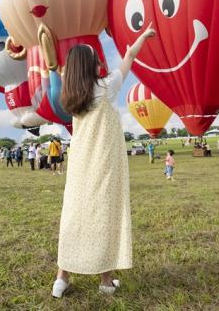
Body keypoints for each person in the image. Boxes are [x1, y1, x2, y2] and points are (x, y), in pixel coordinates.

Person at [52, 24, 155, 298]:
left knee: (73, 216)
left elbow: (62, 70)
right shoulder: (106, 87)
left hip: (79, 166)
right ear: (90, 65)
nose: (100, 59)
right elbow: (129, 57)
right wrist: (143, 36)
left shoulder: (70, 94)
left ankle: (61, 278)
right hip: (104, 163)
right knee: (104, 216)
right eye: (95, 56)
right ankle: (105, 281)